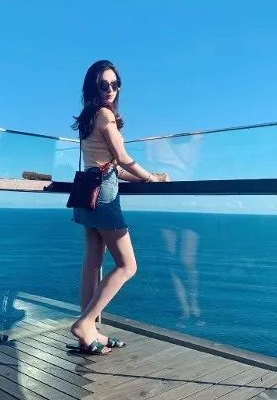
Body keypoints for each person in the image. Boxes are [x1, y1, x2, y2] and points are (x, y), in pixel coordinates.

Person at [68, 59, 169, 355]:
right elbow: (122, 158)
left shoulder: (88, 117)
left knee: (92, 263)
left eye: (115, 84)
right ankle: (85, 323)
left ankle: (90, 333)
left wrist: (144, 177)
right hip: (104, 195)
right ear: (93, 88)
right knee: (128, 265)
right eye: (103, 84)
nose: (110, 89)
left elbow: (110, 166)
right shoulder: (104, 114)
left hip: (87, 191)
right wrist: (151, 178)